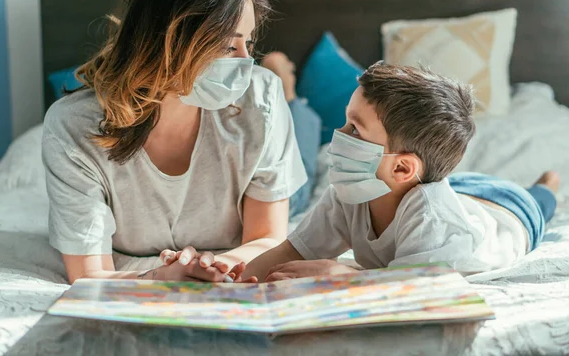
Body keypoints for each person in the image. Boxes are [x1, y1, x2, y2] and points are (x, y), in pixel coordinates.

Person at [42, 0, 308, 284]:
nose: (246, 62)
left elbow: (268, 239)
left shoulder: (261, 96)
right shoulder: (72, 126)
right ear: (166, 39)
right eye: (228, 46)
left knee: (304, 163)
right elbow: (89, 276)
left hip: (271, 129)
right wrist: (166, 274)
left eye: (248, 44)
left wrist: (215, 266)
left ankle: (291, 89)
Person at [240, 61, 560, 282]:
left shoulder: (434, 224)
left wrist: (345, 277)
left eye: (355, 130)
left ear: (402, 166)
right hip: (459, 194)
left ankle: (548, 183)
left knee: (541, 200)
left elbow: (411, 287)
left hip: (510, 211)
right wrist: (230, 281)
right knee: (445, 193)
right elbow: (290, 250)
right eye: (346, 121)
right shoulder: (349, 193)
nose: (339, 134)